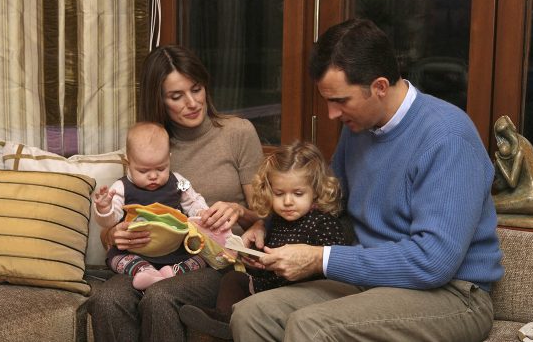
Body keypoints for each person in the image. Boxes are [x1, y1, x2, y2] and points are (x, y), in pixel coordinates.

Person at [231, 18, 504, 342]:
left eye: (340, 101)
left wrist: (321, 259)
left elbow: (434, 261)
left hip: (454, 295)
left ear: (379, 87)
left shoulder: (447, 137)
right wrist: (265, 224)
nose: (332, 114)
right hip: (371, 281)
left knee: (311, 326)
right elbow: (327, 202)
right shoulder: (359, 129)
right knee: (251, 315)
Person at [86, 45, 264, 342]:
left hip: (213, 260)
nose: (193, 103)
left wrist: (239, 211)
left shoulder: (238, 133)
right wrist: (115, 235)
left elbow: (266, 217)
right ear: (159, 100)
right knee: (106, 299)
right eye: (176, 96)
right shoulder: (148, 148)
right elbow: (116, 220)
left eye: (197, 89)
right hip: (148, 258)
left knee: (159, 296)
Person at [178, 141, 349, 339]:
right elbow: (267, 254)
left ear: (316, 191)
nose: (287, 201)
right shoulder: (275, 221)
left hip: (302, 291)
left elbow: (332, 266)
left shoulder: (324, 223)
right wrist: (256, 262)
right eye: (279, 194)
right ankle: (223, 320)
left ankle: (226, 325)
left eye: (298, 193)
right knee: (233, 279)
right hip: (269, 284)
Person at [92, 122, 209, 291]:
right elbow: (111, 220)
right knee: (115, 259)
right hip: (136, 253)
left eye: (161, 168)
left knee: (202, 258)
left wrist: (202, 212)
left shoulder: (179, 181)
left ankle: (173, 272)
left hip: (176, 252)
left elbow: (193, 200)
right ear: (128, 163)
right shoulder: (120, 187)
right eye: (143, 171)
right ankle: (145, 271)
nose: (153, 176)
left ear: (169, 158)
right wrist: (104, 209)